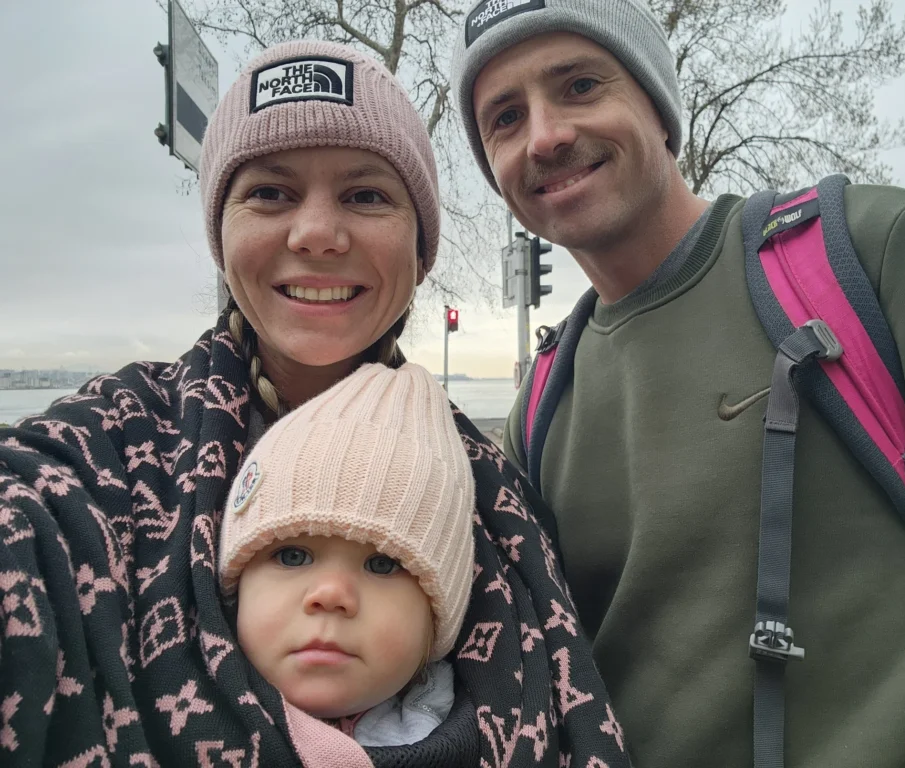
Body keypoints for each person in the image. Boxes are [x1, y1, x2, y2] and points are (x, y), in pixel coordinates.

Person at [0, 40, 631, 767]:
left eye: (366, 195)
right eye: (270, 193)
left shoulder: (498, 498)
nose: (317, 234)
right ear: (221, 232)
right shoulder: (110, 450)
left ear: (420, 246)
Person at [450, 1, 905, 767]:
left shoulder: (881, 255)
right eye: (505, 119)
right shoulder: (539, 413)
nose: (546, 135)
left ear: (659, 105)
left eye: (582, 85)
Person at [219, 362, 473, 748]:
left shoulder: (482, 740)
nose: (331, 594)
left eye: (383, 565)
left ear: (437, 623)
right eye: (292, 556)